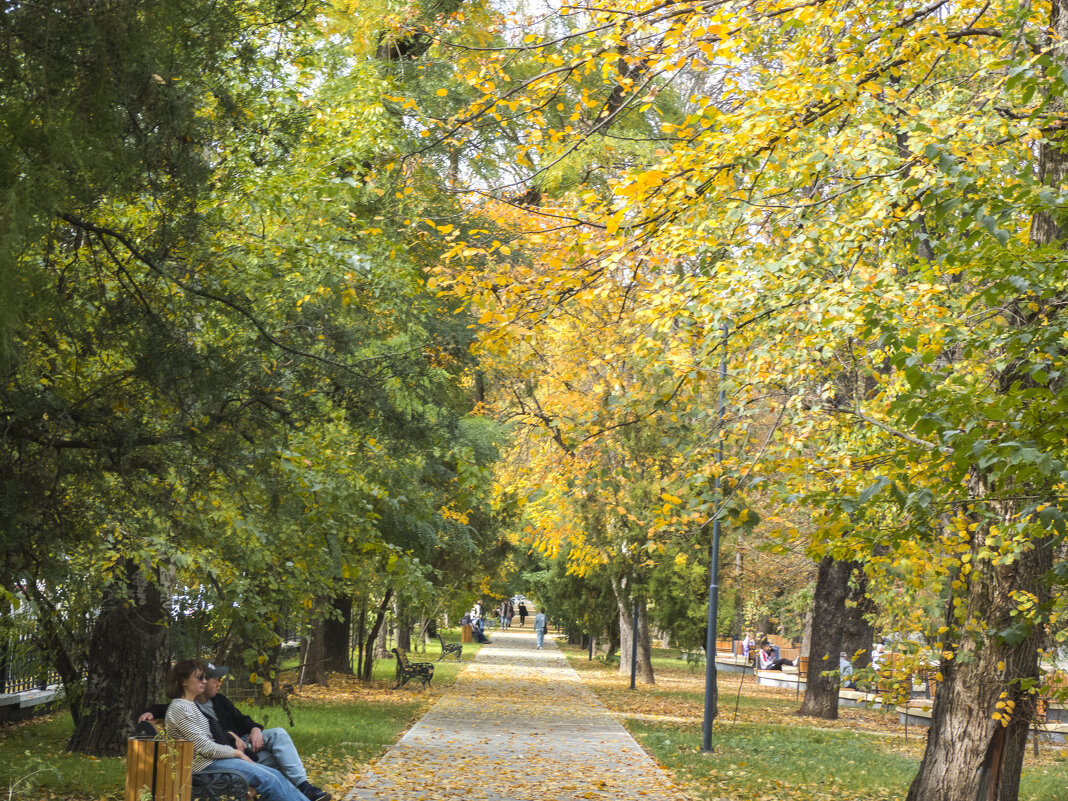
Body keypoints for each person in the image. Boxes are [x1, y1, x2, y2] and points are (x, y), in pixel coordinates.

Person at [141, 664, 330, 801]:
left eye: (206, 678)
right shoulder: (181, 708)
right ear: (183, 681)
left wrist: (248, 736)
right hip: (203, 766)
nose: (205, 681)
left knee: (273, 774)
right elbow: (204, 747)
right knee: (268, 778)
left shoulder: (191, 705)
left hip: (213, 760)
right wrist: (238, 753)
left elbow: (229, 727)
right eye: (200, 677)